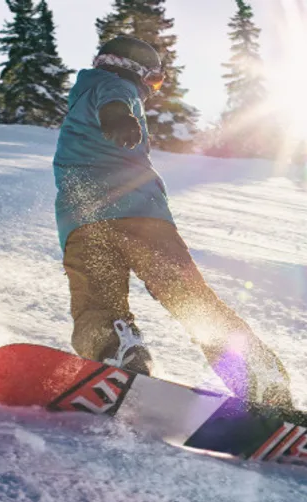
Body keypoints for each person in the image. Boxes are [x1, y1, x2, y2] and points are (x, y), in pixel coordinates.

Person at [53, 35, 291, 408]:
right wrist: (119, 116)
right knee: (186, 296)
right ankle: (256, 375)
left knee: (96, 301)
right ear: (137, 71)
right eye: (155, 80)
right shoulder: (117, 86)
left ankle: (115, 353)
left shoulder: (83, 93)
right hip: (137, 214)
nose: (153, 89)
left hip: (82, 223)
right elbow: (115, 101)